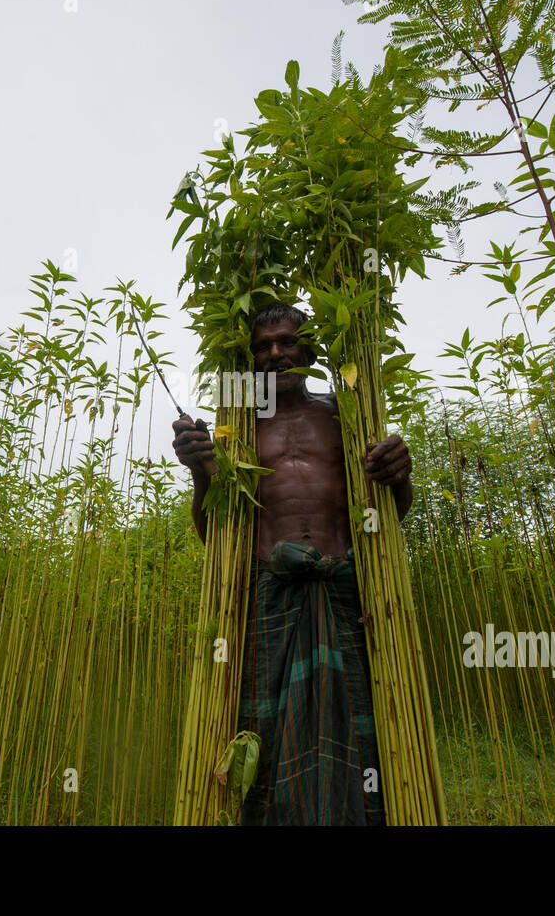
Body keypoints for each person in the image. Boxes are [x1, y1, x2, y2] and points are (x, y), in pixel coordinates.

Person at [171, 303, 414, 825]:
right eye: (262, 346)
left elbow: (391, 513)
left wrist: (399, 474)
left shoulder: (345, 415)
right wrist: (200, 470)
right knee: (268, 730)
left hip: (349, 592)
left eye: (286, 341)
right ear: (248, 357)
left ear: (311, 348)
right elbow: (214, 532)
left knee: (362, 729)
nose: (275, 353)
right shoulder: (234, 430)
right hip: (269, 594)